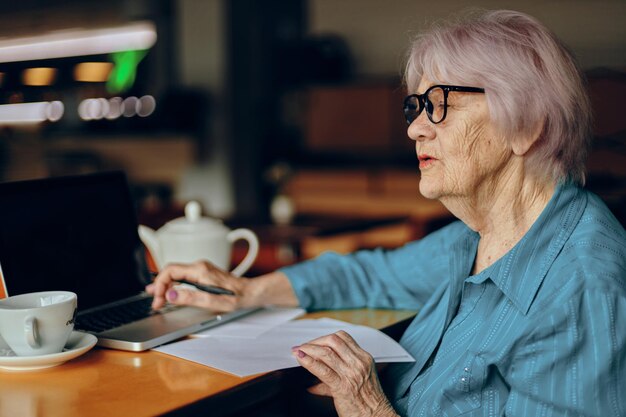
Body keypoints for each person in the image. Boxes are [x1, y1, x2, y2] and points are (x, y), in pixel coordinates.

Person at [147, 9, 626, 417]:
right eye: (416, 106)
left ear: (527, 127)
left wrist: (369, 406)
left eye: (440, 104)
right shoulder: (482, 235)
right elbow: (374, 274)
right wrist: (250, 291)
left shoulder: (580, 294)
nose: (416, 127)